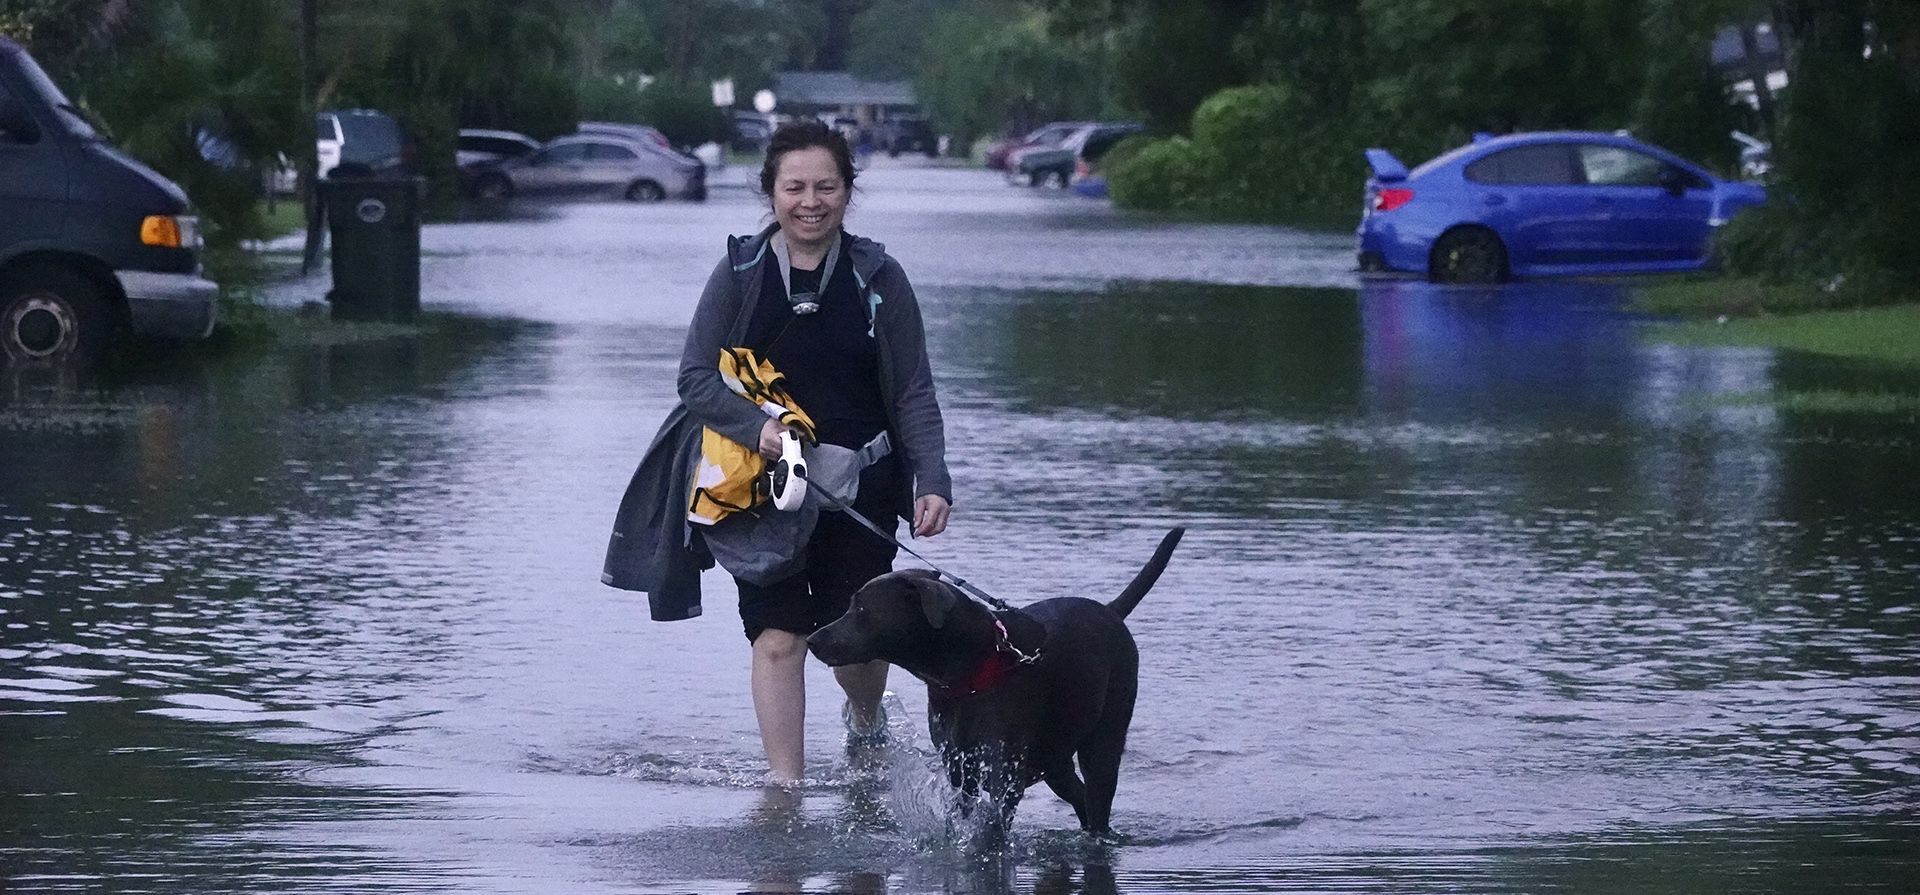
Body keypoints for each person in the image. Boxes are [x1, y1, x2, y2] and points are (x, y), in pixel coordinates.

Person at [676, 119, 951, 785]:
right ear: (770, 191)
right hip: (759, 490)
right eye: (794, 186)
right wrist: (758, 430)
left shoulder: (879, 276)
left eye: (826, 186)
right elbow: (695, 379)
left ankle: (865, 716)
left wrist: (932, 477)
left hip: (863, 488)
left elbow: (913, 387)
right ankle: (786, 790)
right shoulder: (739, 271)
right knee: (777, 638)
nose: (810, 200)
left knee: (852, 645)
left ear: (847, 191)